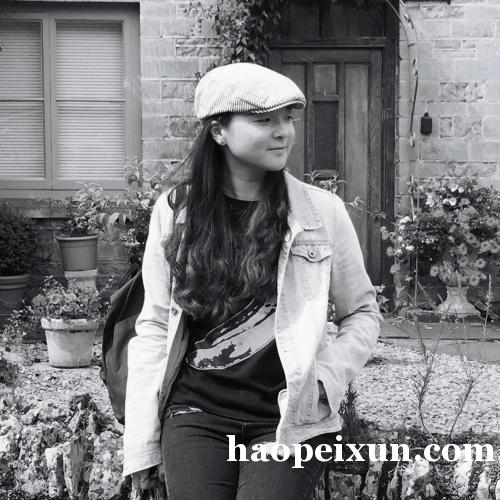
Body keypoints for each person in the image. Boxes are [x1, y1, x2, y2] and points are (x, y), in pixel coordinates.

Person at [123, 62, 382, 499]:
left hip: (288, 420)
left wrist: (324, 381)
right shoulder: (176, 211)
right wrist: (141, 445)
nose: (283, 132)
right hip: (196, 413)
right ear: (218, 131)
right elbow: (154, 327)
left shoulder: (320, 213)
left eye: (288, 118)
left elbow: (362, 312)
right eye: (264, 120)